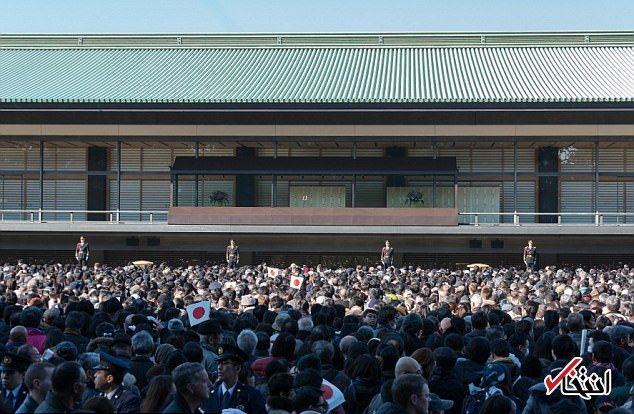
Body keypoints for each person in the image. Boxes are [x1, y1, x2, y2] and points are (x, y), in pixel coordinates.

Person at [204, 344, 266, 414]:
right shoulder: (210, 392)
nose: (219, 367)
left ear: (237, 368)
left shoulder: (251, 395)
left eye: (225, 363)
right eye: (219, 363)